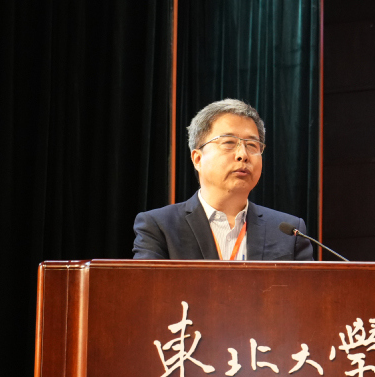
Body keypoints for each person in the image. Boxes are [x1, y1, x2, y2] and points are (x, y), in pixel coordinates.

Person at [132, 99, 313, 261]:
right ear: (197, 159)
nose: (243, 155)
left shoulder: (290, 232)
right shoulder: (160, 227)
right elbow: (149, 288)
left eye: (252, 145)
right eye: (229, 143)